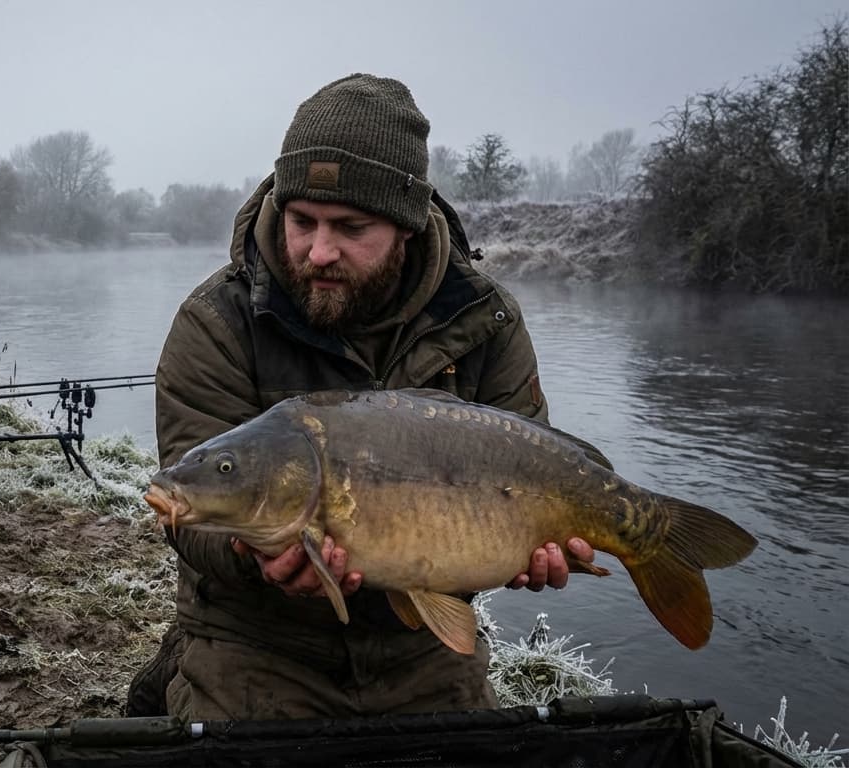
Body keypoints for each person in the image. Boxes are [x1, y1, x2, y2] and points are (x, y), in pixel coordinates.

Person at [128, 73, 595, 721]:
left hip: (421, 645)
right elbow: (189, 507)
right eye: (302, 221)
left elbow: (529, 476)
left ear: (406, 226)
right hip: (256, 639)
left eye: (350, 227)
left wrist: (523, 552)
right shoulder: (216, 321)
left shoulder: (484, 318)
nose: (319, 250)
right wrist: (250, 555)